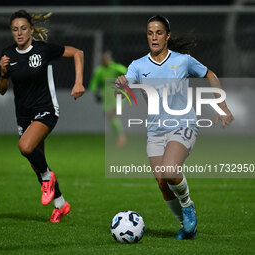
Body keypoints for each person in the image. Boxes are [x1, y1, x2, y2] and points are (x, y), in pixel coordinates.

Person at [116, 15, 234, 239]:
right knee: (162, 183)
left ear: (167, 36)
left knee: (170, 171)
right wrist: (121, 86)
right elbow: (124, 88)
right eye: (150, 33)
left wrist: (221, 106)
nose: (154, 37)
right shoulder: (137, 65)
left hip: (183, 124)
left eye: (159, 32)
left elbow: (210, 74)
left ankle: (188, 206)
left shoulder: (183, 60)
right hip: (155, 131)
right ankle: (187, 227)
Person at [0, 10, 85, 223]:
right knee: (38, 163)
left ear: (31, 30)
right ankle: (61, 205)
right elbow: (1, 89)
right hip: (23, 115)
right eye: (15, 29)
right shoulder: (7, 55)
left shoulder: (43, 50)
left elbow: (77, 53)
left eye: (23, 28)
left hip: (46, 109)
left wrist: (78, 81)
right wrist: (2, 73)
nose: (19, 33)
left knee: (25, 147)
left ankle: (48, 178)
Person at [89, 50, 127, 148]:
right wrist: (95, 93)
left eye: (107, 58)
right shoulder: (99, 71)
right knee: (110, 118)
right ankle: (120, 136)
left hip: (117, 96)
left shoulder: (116, 68)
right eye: (104, 59)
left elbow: (128, 73)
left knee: (111, 115)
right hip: (106, 98)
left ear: (110, 59)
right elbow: (94, 83)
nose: (105, 60)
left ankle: (121, 137)